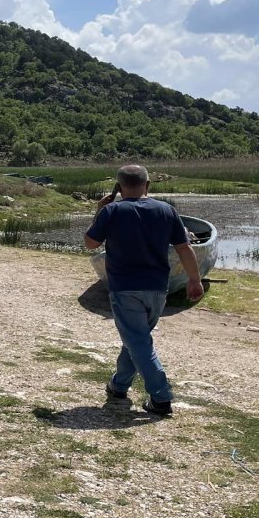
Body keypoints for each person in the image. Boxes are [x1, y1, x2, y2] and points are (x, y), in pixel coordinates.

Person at [84, 165, 204, 417]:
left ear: (119, 188)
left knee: (138, 341)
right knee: (136, 338)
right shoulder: (166, 210)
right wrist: (194, 279)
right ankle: (119, 385)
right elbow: (184, 248)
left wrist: (99, 212)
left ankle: (161, 397)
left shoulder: (112, 211)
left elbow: (91, 244)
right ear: (147, 185)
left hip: (125, 288)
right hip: (158, 289)